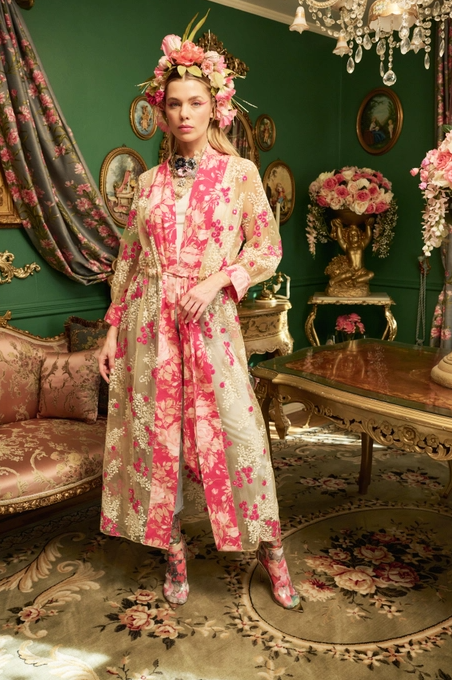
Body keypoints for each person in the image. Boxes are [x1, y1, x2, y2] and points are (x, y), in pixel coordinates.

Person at [98, 12, 300, 611]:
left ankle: (272, 550)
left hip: (211, 328)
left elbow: (267, 248)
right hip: (150, 328)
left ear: (216, 108)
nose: (184, 113)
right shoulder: (148, 183)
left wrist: (217, 280)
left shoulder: (240, 175)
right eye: (174, 104)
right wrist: (110, 331)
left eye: (195, 102)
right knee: (162, 443)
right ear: (162, 113)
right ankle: (174, 553)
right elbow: (129, 262)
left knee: (240, 437)